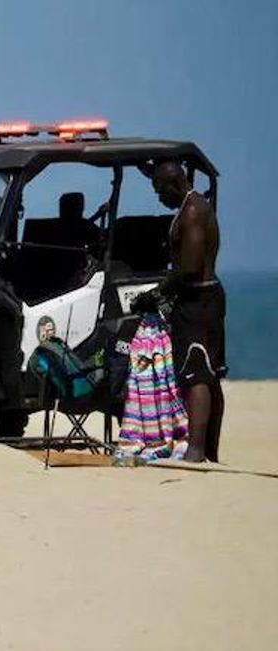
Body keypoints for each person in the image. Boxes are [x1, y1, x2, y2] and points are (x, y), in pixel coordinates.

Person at [132, 161, 226, 463]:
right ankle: (209, 449)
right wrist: (147, 169)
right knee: (209, 375)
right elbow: (165, 174)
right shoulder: (192, 203)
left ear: (173, 185)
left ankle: (197, 450)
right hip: (203, 298)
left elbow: (189, 268)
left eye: (160, 191)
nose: (159, 198)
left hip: (198, 301)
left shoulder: (192, 212)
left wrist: (155, 294)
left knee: (197, 373)